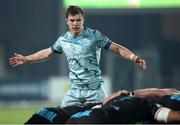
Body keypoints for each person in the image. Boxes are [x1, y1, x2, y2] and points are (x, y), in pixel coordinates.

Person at [9, 5, 147, 107]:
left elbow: (116, 48)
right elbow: (47, 53)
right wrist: (26, 59)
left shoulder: (94, 36)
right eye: (72, 20)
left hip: (95, 91)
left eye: (78, 20)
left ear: (83, 20)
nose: (75, 23)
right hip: (74, 92)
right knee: (61, 119)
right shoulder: (63, 40)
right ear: (67, 21)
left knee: (103, 120)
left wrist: (134, 57)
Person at [24, 88, 180, 124]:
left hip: (73, 118)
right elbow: (166, 114)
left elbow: (162, 91)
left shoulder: (120, 98)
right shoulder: (148, 105)